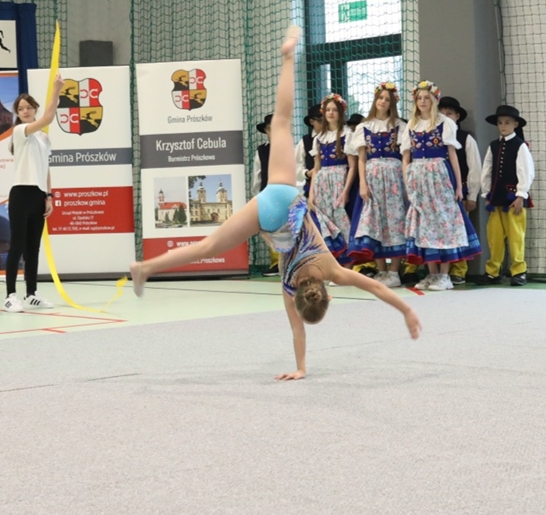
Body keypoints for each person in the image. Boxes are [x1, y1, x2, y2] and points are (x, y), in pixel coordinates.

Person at [130, 27, 421, 380]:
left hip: (282, 195)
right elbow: (298, 331)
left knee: (280, 122)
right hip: (268, 215)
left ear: (325, 296)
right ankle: (146, 268)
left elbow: (375, 287)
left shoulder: (332, 272)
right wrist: (300, 368)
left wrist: (407, 310)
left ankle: (288, 57)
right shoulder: (289, 286)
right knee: (205, 247)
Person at [401, 81, 481, 291]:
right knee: (424, 224)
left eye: (427, 98)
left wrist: (457, 186)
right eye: (419, 98)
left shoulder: (444, 123)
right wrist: (408, 181)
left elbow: (452, 155)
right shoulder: (411, 125)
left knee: (443, 223)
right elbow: (406, 157)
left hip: (438, 177)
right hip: (418, 178)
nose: (423, 102)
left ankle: (444, 274)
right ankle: (431, 273)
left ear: (434, 100)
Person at [4, 74, 65, 312]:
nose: (26, 111)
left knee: (33, 247)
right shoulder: (21, 131)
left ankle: (31, 293)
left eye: (29, 107)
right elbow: (49, 116)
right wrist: (56, 90)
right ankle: (10, 295)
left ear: (34, 109)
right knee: (16, 246)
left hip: (38, 196)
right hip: (21, 193)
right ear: (17, 113)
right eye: (21, 108)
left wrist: (49, 197)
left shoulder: (43, 137)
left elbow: (45, 168)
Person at [347, 82, 408, 287]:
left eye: (387, 99)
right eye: (380, 98)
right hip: (372, 177)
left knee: (395, 220)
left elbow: (406, 154)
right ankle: (381, 269)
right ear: (375, 100)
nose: (383, 102)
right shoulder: (365, 127)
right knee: (374, 221)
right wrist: (363, 183)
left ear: (392, 103)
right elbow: (361, 158)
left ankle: (394, 271)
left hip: (393, 177)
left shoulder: (399, 125)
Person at [480, 105, 534, 286]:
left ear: (515, 124)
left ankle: (519, 271)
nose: (503, 126)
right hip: (496, 199)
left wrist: (521, 195)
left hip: (513, 200)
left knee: (516, 235)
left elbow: (526, 171)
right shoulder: (494, 146)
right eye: (500, 123)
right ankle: (493, 271)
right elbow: (487, 170)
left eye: (507, 123)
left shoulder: (520, 145)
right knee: (494, 236)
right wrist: (487, 193)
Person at [437, 96, 482, 285]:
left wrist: (471, 195)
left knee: (460, 231)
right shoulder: (433, 138)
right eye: (442, 113)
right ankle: (438, 270)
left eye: (449, 113)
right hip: (438, 193)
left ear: (457, 117)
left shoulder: (465, 138)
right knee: (440, 232)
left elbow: (475, 168)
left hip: (459, 192)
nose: (445, 117)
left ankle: (459, 270)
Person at [309, 93, 356, 257]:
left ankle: (347, 260)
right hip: (322, 181)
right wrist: (311, 193)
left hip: (338, 179)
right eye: (327, 110)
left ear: (341, 112)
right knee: (325, 220)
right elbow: (316, 167)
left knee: (341, 219)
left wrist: (345, 191)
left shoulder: (347, 134)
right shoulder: (319, 138)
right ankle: (332, 261)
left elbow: (352, 166)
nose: (330, 113)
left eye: (334, 110)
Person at [251, 114, 280, 277]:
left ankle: (292, 261)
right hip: (267, 193)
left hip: (285, 193)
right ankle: (276, 262)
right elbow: (257, 175)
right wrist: (257, 195)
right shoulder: (262, 150)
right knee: (270, 228)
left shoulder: (289, 148)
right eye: (269, 129)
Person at [295, 103, 322, 199]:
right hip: (312, 189)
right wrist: (307, 173)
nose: (325, 125)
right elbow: (296, 166)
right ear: (311, 121)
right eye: (320, 121)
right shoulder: (305, 141)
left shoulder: (336, 138)